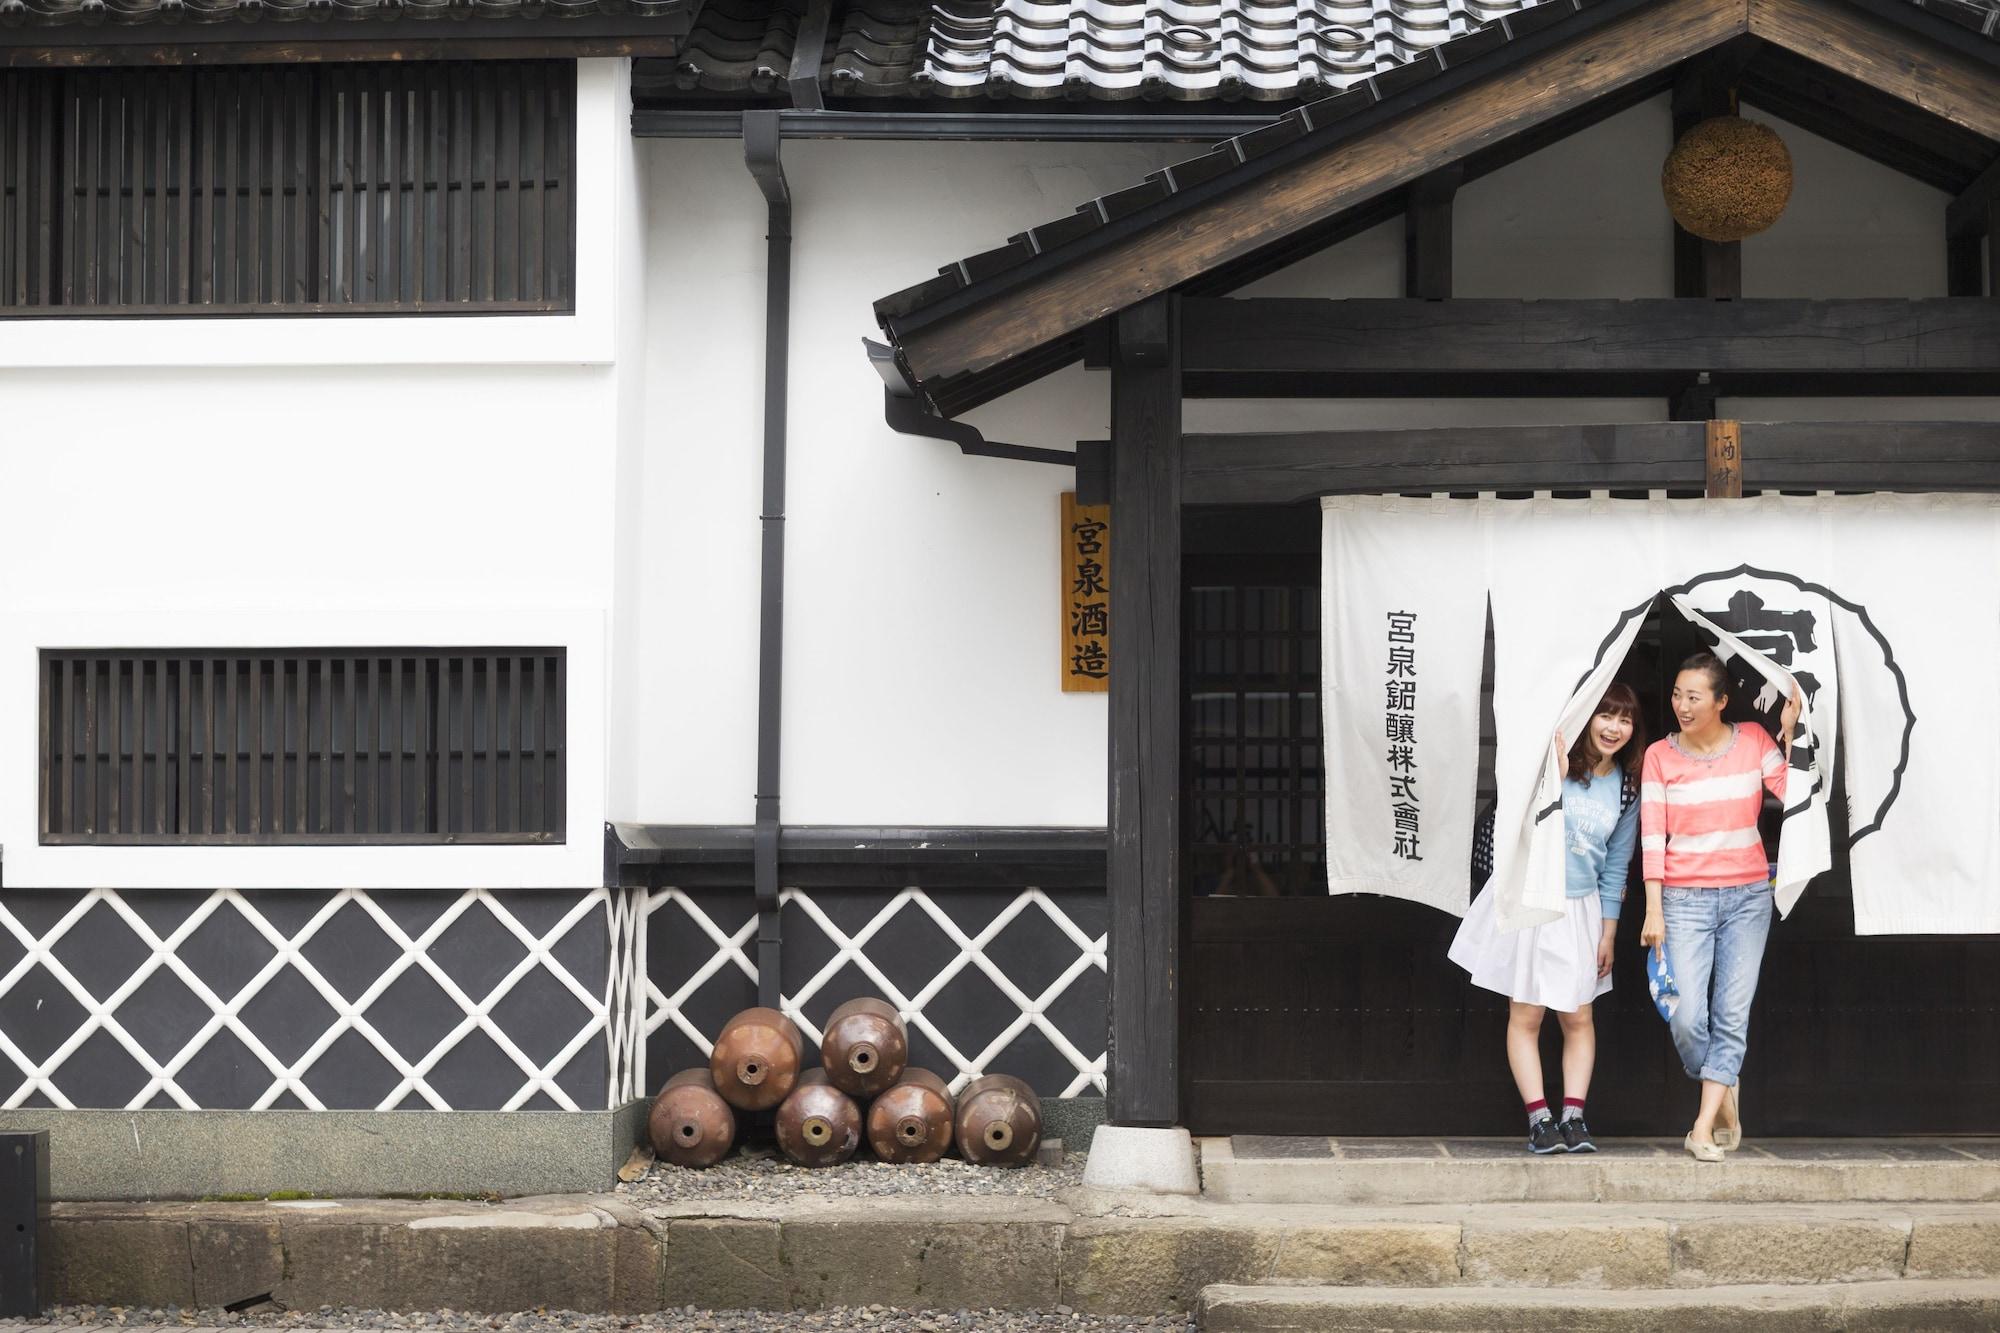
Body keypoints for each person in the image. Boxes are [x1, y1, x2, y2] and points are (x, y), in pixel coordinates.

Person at [1450, 683, 1645, 1154]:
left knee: (1578, 1016)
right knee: (1528, 1013)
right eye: (1605, 716)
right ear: (1585, 718)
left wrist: (1609, 931)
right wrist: (1551, 778)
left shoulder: (1626, 787)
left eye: (1624, 720)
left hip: (1581, 909)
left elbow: (1617, 864)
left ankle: (1574, 1116)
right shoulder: (1550, 764)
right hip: (1533, 898)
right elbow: (1515, 827)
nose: (1613, 728)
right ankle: (1540, 1119)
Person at [1639, 651, 1800, 1162]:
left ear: (1721, 701)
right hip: (1682, 899)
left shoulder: (1753, 739)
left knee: (1731, 1015)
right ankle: (1723, 1085)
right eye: (1677, 695)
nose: (1681, 705)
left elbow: (1795, 793)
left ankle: (1703, 1127)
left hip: (1748, 895)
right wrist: (1653, 908)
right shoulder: (1659, 757)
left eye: (1694, 696)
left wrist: (1791, 735)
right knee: (1686, 1015)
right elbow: (1651, 837)